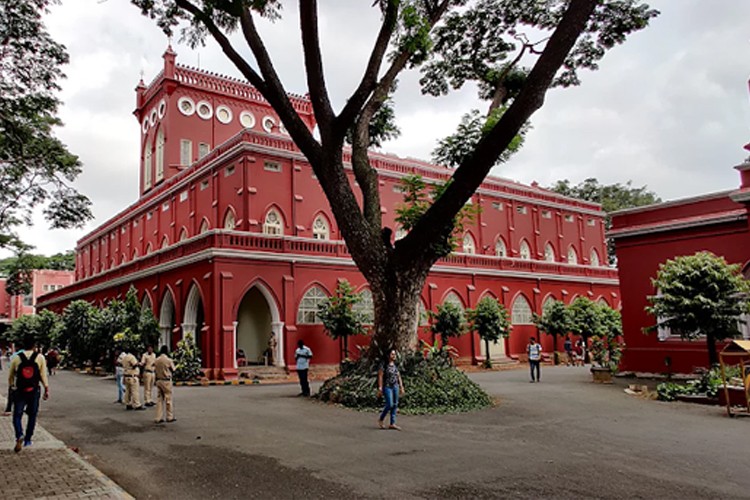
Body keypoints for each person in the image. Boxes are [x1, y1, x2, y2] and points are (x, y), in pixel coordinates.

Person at [7, 336, 49, 452]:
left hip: (20, 391)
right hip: (34, 390)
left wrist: (12, 387)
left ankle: (19, 434)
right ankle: (28, 439)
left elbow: (11, 376)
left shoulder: (16, 358)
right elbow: (43, 375)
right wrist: (46, 388)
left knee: (17, 415)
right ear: (34, 346)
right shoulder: (39, 358)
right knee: (32, 415)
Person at [377, 349, 405, 430]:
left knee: (395, 404)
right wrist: (380, 387)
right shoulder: (384, 365)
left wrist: (401, 386)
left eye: (395, 354)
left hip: (395, 386)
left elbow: (398, 375)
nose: (394, 356)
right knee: (390, 404)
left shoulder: (395, 365)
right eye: (392, 354)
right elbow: (380, 376)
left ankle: (392, 423)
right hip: (387, 386)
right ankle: (381, 419)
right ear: (388, 355)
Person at [154, 346, 176, 423]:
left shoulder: (156, 360)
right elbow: (173, 369)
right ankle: (169, 416)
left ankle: (158, 417)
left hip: (159, 380)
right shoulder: (168, 360)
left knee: (159, 399)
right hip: (166, 381)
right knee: (168, 399)